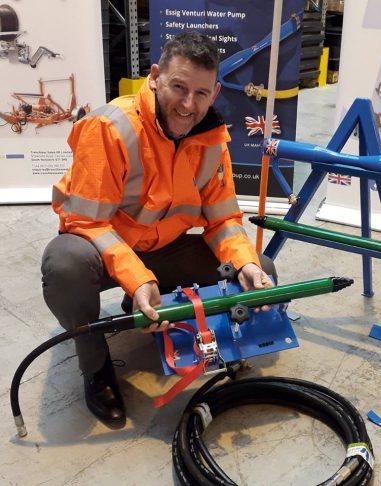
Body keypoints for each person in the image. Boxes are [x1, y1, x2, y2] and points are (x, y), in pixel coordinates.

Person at [41, 32, 276, 424]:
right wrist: (138, 279)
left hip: (165, 248)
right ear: (154, 78)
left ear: (215, 93)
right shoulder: (110, 127)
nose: (188, 104)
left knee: (260, 269)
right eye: (178, 87)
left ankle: (178, 322)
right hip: (104, 251)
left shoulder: (212, 140)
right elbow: (87, 221)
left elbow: (223, 220)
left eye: (200, 93)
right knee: (65, 264)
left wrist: (246, 264)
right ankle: (96, 366)